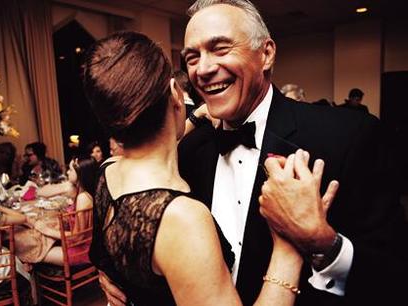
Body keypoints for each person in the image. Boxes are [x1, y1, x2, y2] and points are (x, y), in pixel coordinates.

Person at [175, 1, 407, 306]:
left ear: (266, 54)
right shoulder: (191, 151)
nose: (202, 69)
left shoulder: (348, 136)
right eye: (192, 57)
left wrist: (325, 244)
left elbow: (396, 276)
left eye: (220, 49)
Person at [83, 31, 339, 306]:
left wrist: (199, 114)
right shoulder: (182, 219)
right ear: (175, 94)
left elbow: (103, 253)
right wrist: (288, 249)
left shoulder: (108, 171)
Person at [28, 157, 96, 266]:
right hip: (80, 245)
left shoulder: (83, 198)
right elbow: (41, 192)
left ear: (80, 174)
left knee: (33, 252)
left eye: (70, 170)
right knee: (39, 244)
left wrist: (47, 230)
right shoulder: (81, 191)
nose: (67, 172)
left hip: (82, 251)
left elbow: (78, 237)